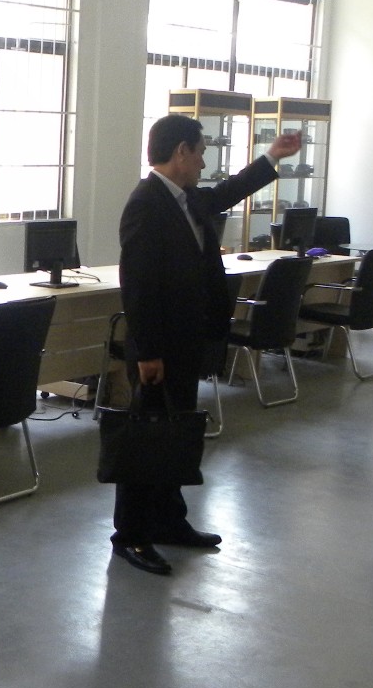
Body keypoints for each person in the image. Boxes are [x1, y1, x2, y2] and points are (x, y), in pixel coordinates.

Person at [112, 113, 302, 575]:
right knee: (147, 441)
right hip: (160, 347)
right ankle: (131, 536)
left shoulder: (186, 198)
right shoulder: (146, 203)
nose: (202, 162)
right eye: (199, 153)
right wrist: (149, 352)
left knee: (174, 436)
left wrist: (271, 157)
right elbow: (137, 286)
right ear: (181, 152)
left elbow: (226, 193)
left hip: (186, 339)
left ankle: (169, 521)